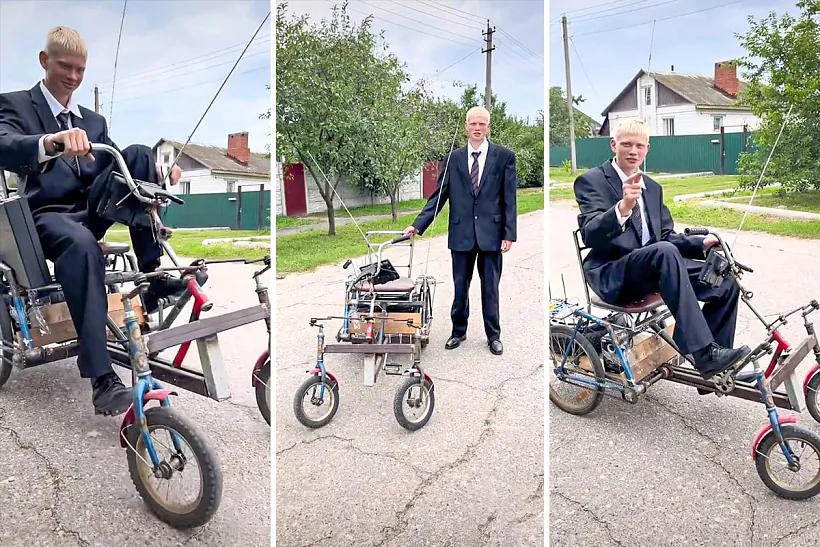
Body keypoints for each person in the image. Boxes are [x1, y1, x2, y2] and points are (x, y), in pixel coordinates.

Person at [0, 26, 187, 416]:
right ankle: (102, 381)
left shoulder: (94, 121)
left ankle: (151, 278)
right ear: (44, 61)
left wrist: (158, 175)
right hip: (47, 216)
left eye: (80, 70)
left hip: (90, 211)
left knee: (136, 155)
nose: (73, 77)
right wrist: (51, 141)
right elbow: (5, 144)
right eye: (65, 67)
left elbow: (119, 167)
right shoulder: (16, 106)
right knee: (83, 246)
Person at [573, 119, 751, 380]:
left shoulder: (653, 188)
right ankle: (703, 352)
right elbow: (590, 234)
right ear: (614, 145)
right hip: (615, 273)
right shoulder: (591, 181)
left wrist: (700, 243)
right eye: (626, 144)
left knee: (725, 281)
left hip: (656, 267)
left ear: (647, 149)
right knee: (664, 252)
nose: (633, 151)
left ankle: (714, 366)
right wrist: (623, 208)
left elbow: (665, 235)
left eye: (639, 146)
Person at [404, 106, 517, 355]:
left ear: (488, 127)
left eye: (482, 124)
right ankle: (458, 331)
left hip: (492, 235)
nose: (477, 128)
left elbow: (509, 198)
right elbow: (439, 196)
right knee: (460, 288)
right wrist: (418, 224)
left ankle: (493, 336)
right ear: (466, 126)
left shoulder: (504, 157)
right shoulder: (454, 158)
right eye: (473, 124)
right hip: (461, 234)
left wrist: (509, 233)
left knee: (490, 289)